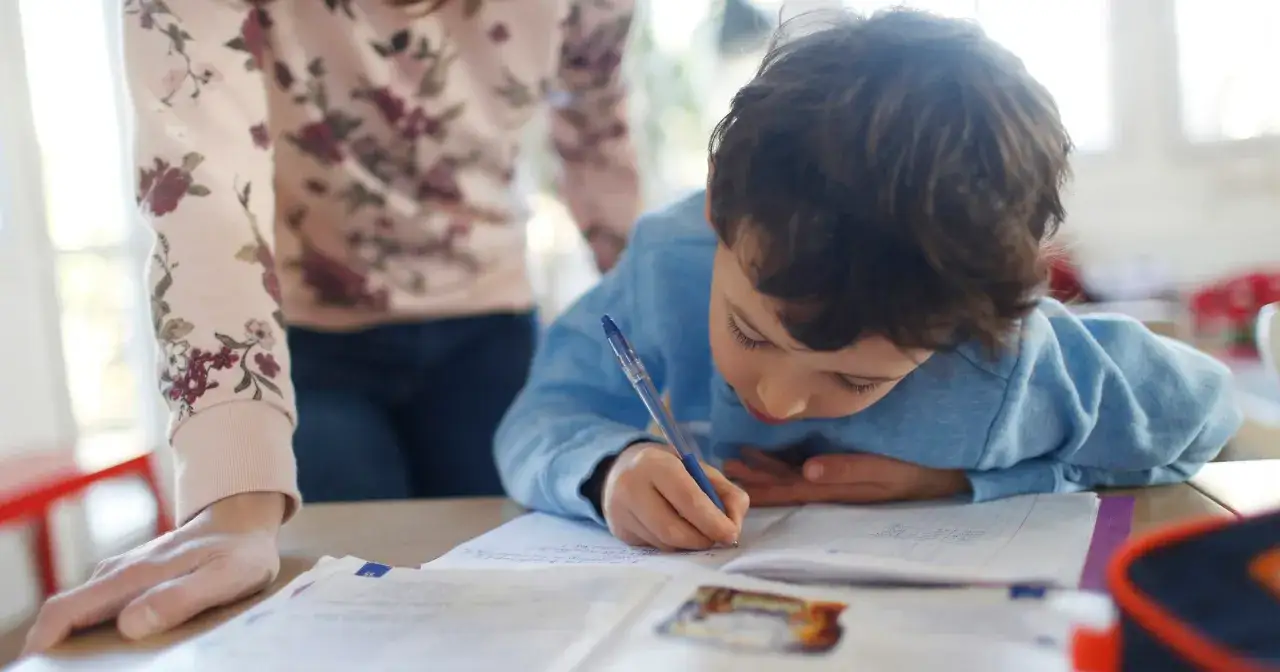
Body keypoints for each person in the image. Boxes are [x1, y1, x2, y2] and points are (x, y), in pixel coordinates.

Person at [493, 8, 1243, 551]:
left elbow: (1202, 418)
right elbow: (540, 418)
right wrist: (611, 471)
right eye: (751, 331)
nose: (777, 399)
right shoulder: (670, 262)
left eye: (854, 381)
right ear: (721, 203)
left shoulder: (1002, 354)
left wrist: (956, 483)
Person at [23, 0, 638, 653]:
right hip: (302, 342)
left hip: (491, 327)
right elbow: (201, 184)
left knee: (511, 621)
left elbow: (598, 135)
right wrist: (234, 494)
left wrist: (659, 364)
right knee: (344, 621)